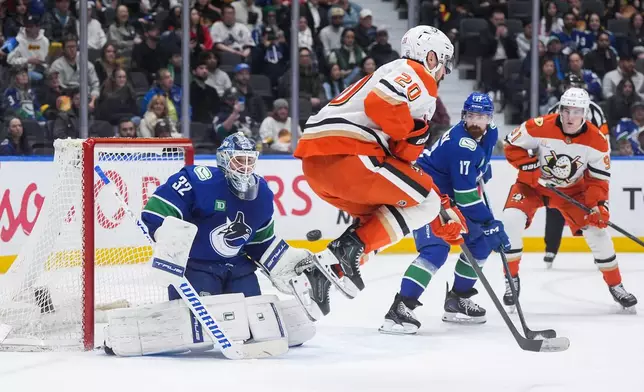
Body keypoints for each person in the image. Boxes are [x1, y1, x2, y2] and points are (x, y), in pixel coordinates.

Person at [293, 26, 465, 313]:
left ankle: (317, 278)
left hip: (318, 164)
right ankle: (341, 256)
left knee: (374, 225)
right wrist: (439, 207)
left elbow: (401, 159)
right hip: (350, 155)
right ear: (431, 58)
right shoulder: (417, 73)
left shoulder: (390, 72)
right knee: (427, 203)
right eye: (444, 64)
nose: (444, 73)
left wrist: (443, 209)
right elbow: (380, 104)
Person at [105, 132, 318, 356]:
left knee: (256, 320)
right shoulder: (200, 180)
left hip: (238, 268)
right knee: (197, 333)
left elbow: (260, 243)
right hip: (197, 266)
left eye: (249, 160)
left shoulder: (262, 193)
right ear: (225, 160)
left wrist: (283, 263)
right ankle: (127, 333)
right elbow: (157, 210)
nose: (245, 167)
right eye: (239, 160)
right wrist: (168, 239)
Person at [380, 93, 510, 334]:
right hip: (426, 194)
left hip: (450, 196)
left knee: (480, 244)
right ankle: (399, 309)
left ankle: (457, 300)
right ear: (464, 116)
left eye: (481, 117)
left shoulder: (489, 134)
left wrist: (481, 169)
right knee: (436, 250)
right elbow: (467, 198)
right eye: (471, 115)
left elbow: (473, 172)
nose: (475, 121)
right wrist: (490, 222)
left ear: (490, 119)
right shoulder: (463, 145)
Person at [501, 87, 637, 310]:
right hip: (533, 187)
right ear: (560, 110)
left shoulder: (598, 140)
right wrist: (529, 166)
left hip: (572, 191)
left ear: (584, 112)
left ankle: (616, 285)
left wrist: (598, 206)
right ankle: (511, 280)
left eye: (576, 111)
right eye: (566, 110)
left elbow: (598, 181)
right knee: (511, 220)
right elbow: (511, 145)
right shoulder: (538, 126)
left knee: (598, 232)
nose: (570, 117)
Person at [544, 73, 609, 267]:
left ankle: (600, 253)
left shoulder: (595, 111)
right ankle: (551, 249)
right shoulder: (555, 110)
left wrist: (598, 165)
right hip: (560, 165)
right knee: (554, 206)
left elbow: (603, 140)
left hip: (587, 168)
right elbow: (545, 137)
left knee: (594, 207)